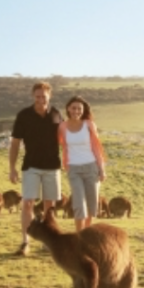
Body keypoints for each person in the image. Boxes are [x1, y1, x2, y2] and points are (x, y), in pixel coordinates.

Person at [9, 81, 63, 255]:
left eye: (44, 96)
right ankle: (25, 242)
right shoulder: (23, 115)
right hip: (30, 166)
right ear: (33, 96)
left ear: (50, 96)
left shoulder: (56, 115)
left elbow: (66, 140)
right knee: (27, 204)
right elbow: (15, 143)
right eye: (37, 96)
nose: (41, 100)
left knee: (50, 207)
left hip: (52, 167)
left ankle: (48, 243)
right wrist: (12, 167)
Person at [58, 95, 107, 231]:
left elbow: (97, 148)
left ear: (83, 110)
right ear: (68, 109)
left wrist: (102, 169)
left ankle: (86, 234)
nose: (76, 111)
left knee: (92, 204)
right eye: (73, 108)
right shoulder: (62, 126)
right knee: (79, 203)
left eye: (79, 109)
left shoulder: (89, 125)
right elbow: (62, 145)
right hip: (73, 169)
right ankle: (79, 236)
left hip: (91, 167)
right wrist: (65, 164)